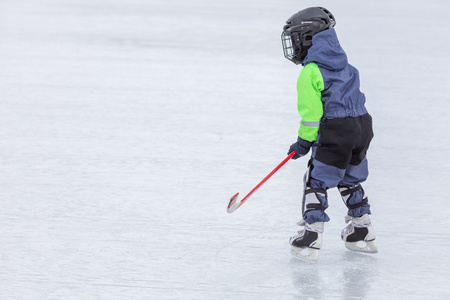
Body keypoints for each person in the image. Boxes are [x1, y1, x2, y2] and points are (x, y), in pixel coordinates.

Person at [281, 7, 378, 262]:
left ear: (308, 38)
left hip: (336, 130)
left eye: (294, 39)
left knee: (317, 179)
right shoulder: (348, 67)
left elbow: (312, 115)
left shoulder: (310, 72)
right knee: (348, 177)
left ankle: (311, 235)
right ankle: (361, 229)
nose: (292, 46)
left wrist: (303, 142)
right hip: (362, 127)